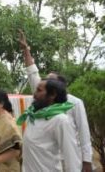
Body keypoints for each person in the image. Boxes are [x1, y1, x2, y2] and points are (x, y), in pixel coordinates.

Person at [18, 30, 93, 172]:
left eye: (49, 81)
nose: (35, 92)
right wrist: (26, 50)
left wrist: (87, 161)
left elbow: (83, 133)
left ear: (55, 90)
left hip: (63, 155)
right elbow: (32, 72)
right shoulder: (37, 110)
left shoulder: (70, 108)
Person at [17, 79, 81, 171]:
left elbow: (71, 157)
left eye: (39, 90)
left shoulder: (61, 120)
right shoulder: (34, 115)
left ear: (53, 95)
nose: (34, 94)